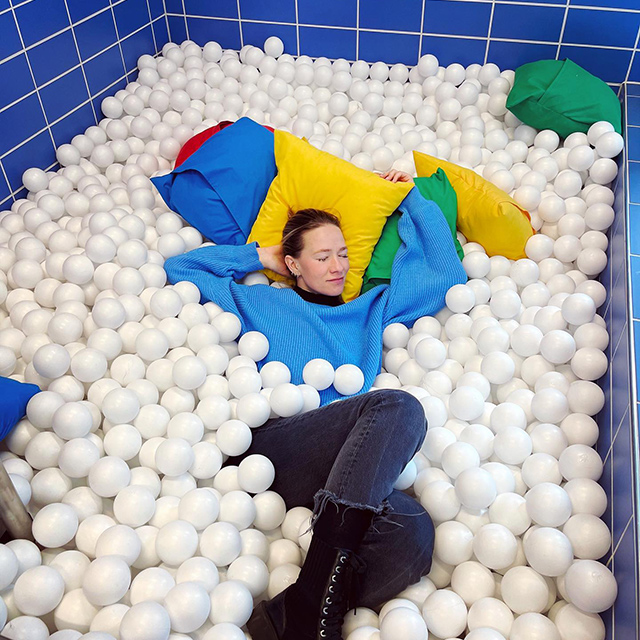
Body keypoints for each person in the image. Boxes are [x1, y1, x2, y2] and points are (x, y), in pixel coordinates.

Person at [163, 169, 467, 639]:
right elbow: (182, 269)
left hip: (347, 476)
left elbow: (444, 275)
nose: (338, 266)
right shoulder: (262, 302)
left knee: (415, 536)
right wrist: (261, 255)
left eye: (343, 254)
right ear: (294, 264)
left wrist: (411, 198)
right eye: (322, 257)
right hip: (279, 452)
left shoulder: (370, 310)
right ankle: (312, 603)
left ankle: (303, 603)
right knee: (398, 409)